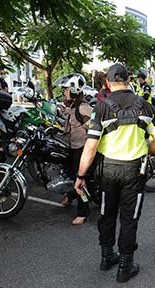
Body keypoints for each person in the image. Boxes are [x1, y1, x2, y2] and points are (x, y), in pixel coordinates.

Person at [74, 63, 155, 283]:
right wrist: (146, 151)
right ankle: (125, 266)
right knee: (129, 218)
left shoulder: (102, 107)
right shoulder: (146, 106)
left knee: (107, 214)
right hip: (135, 171)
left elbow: (91, 146)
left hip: (108, 170)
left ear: (107, 82)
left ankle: (107, 257)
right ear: (128, 79)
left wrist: (80, 175)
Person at [55, 73, 93, 225]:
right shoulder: (71, 106)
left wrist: (86, 127)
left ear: (74, 91)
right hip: (72, 145)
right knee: (70, 174)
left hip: (82, 149)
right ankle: (70, 197)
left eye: (66, 90)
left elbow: (97, 121)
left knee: (80, 179)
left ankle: (83, 212)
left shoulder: (84, 108)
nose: (64, 92)